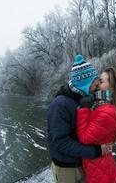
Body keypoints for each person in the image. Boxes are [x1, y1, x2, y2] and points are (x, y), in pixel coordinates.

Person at [47, 55, 111, 183]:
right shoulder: (60, 104)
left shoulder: (83, 98)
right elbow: (60, 142)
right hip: (67, 168)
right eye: (94, 81)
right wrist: (95, 151)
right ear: (84, 83)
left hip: (82, 161)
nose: (97, 83)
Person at [76, 67, 116, 183]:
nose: (97, 84)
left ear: (112, 88)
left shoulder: (107, 112)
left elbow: (84, 138)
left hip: (100, 176)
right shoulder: (103, 106)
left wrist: (84, 109)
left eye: (101, 81)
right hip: (100, 169)